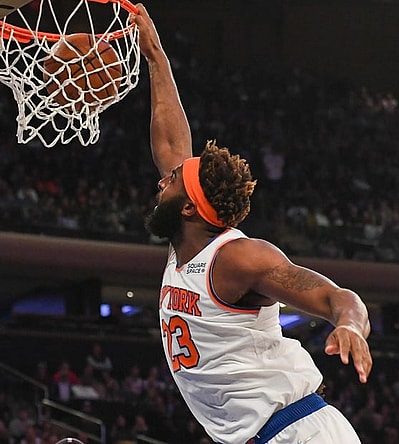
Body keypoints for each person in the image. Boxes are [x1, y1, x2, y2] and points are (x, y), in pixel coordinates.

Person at [131, 4, 372, 444]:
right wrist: (156, 57)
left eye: (170, 182)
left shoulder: (238, 258)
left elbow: (338, 297)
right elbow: (169, 141)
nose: (161, 180)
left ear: (188, 209)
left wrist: (350, 325)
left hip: (299, 433)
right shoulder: (183, 240)